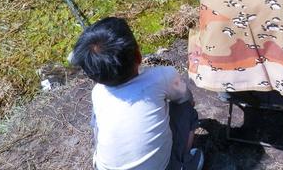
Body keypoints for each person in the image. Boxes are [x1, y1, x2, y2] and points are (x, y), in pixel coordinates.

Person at [72, 16, 204, 170]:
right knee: (186, 107)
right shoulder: (161, 76)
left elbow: (97, 132)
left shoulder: (98, 93)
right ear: (138, 56)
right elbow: (186, 98)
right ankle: (184, 163)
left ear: (92, 75)